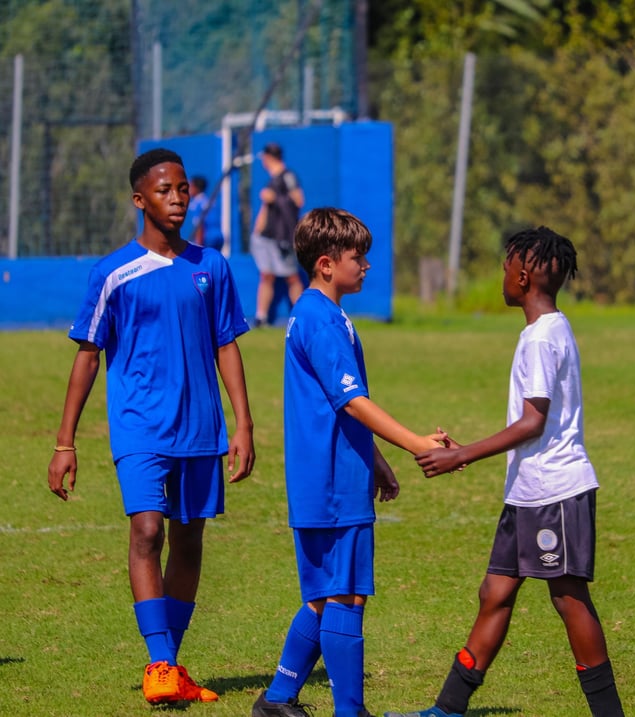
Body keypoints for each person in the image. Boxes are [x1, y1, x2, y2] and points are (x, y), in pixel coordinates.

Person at [385, 226, 624, 717]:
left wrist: (463, 454)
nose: (501, 278)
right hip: (528, 491)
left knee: (569, 600)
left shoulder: (541, 338)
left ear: (521, 274)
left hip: (555, 491)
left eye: (503, 269)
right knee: (494, 591)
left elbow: (533, 421)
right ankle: (448, 709)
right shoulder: (549, 328)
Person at [47, 148, 255, 705]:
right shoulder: (113, 274)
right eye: (165, 190)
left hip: (202, 429)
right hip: (140, 428)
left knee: (189, 539)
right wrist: (64, 442)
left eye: (183, 188)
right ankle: (160, 663)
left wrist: (243, 423)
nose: (178, 197)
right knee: (147, 532)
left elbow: (226, 345)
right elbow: (87, 357)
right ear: (140, 199)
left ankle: (171, 663)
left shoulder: (211, 267)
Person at [251, 207, 445, 717]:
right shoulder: (319, 319)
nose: (366, 267)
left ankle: (275, 700)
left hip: (335, 473)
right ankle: (350, 711)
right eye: (358, 258)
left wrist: (375, 458)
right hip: (333, 481)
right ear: (326, 264)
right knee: (346, 596)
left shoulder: (321, 313)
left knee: (324, 595)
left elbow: (339, 407)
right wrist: (417, 443)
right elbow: (353, 402)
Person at [249, 142, 305, 326]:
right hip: (266, 237)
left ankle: (301, 316)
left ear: (268, 158)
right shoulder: (272, 180)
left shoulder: (287, 176)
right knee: (266, 275)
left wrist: (275, 198)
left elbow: (298, 200)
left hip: (283, 238)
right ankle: (261, 316)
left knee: (292, 277)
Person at [187, 175, 224, 251]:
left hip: (207, 238)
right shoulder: (209, 201)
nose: (188, 189)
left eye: (190, 186)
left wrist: (198, 245)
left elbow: (199, 225)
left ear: (196, 188)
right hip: (218, 236)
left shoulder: (197, 204)